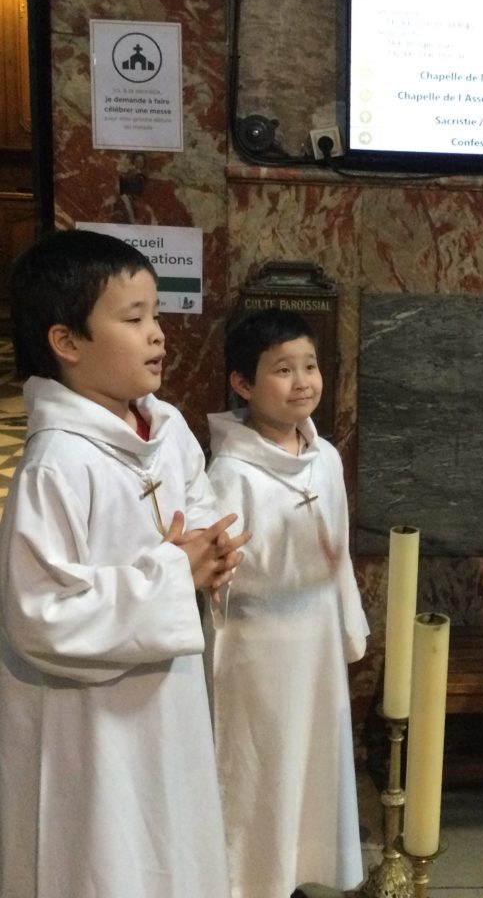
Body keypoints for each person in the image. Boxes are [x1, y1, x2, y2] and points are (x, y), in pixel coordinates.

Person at [0, 229, 250, 897]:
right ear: (67, 342)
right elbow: (40, 616)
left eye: (157, 316)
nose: (158, 335)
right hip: (92, 722)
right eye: (134, 319)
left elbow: (201, 511)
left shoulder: (164, 428)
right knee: (107, 859)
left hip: (166, 698)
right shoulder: (56, 467)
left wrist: (214, 552)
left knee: (171, 843)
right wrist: (177, 574)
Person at [207, 307, 369, 898]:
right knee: (262, 771)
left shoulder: (323, 456)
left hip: (315, 642)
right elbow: (220, 574)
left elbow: (340, 550)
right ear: (243, 384)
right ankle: (252, 881)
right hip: (258, 652)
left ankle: (300, 873)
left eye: (310, 365)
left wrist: (346, 623)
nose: (303, 381)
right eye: (282, 369)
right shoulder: (232, 473)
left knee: (312, 765)